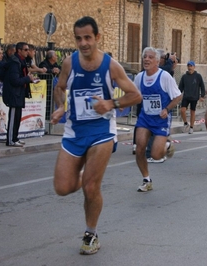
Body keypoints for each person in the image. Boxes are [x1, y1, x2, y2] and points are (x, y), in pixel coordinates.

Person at [50, 16, 141, 255]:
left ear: (97, 37)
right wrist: (60, 107)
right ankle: (86, 173)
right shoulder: (69, 63)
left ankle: (91, 234)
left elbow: (135, 95)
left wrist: (111, 103)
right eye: (78, 38)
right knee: (62, 187)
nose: (83, 43)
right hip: (74, 131)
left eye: (88, 37)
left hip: (102, 132)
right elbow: (59, 87)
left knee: (91, 187)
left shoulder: (111, 66)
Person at [133, 46, 182, 192]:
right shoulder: (139, 77)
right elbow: (135, 95)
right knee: (140, 148)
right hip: (145, 118)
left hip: (161, 119)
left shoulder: (164, 76)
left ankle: (166, 146)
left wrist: (167, 109)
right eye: (144, 57)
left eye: (150, 57)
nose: (146, 59)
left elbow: (178, 96)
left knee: (155, 155)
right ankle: (146, 179)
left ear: (157, 62)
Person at [2, 42, 36, 147]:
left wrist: (29, 79)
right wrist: (27, 79)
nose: (28, 52)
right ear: (19, 51)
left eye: (28, 50)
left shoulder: (21, 61)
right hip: (13, 94)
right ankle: (10, 140)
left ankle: (15, 138)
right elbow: (15, 81)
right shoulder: (14, 62)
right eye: (25, 50)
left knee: (18, 117)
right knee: (13, 118)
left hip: (19, 93)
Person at [179, 60, 205, 134]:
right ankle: (185, 123)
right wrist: (177, 95)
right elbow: (180, 87)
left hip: (194, 96)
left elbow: (202, 86)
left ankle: (191, 127)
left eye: (191, 66)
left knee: (192, 112)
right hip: (186, 96)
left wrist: (202, 95)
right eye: (188, 66)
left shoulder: (198, 76)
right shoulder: (184, 76)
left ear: (194, 67)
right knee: (182, 110)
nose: (190, 67)